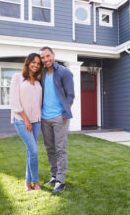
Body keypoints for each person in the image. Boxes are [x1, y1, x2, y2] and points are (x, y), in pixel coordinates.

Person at [40, 46, 74, 193]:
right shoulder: (41, 73)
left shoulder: (64, 72)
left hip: (59, 117)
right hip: (44, 117)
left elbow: (70, 95)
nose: (45, 59)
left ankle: (61, 181)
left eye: (48, 56)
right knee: (50, 149)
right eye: (43, 57)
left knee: (60, 149)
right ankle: (54, 176)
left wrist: (65, 114)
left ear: (53, 55)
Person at [10, 53, 43, 191]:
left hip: (36, 121)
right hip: (22, 120)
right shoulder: (17, 77)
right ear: (28, 62)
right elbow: (14, 101)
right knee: (34, 151)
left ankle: (27, 183)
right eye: (33, 62)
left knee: (31, 152)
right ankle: (36, 183)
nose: (36, 65)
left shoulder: (38, 80)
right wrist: (26, 119)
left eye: (38, 63)